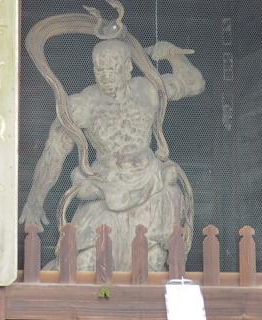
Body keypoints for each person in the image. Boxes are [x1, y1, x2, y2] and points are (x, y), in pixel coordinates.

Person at [19, 36, 204, 271]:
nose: (105, 76)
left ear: (128, 67)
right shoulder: (83, 104)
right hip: (104, 188)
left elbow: (194, 84)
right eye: (100, 69)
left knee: (152, 263)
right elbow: (54, 152)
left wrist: (173, 56)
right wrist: (35, 200)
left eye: (112, 69)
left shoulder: (148, 90)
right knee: (85, 261)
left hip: (151, 185)